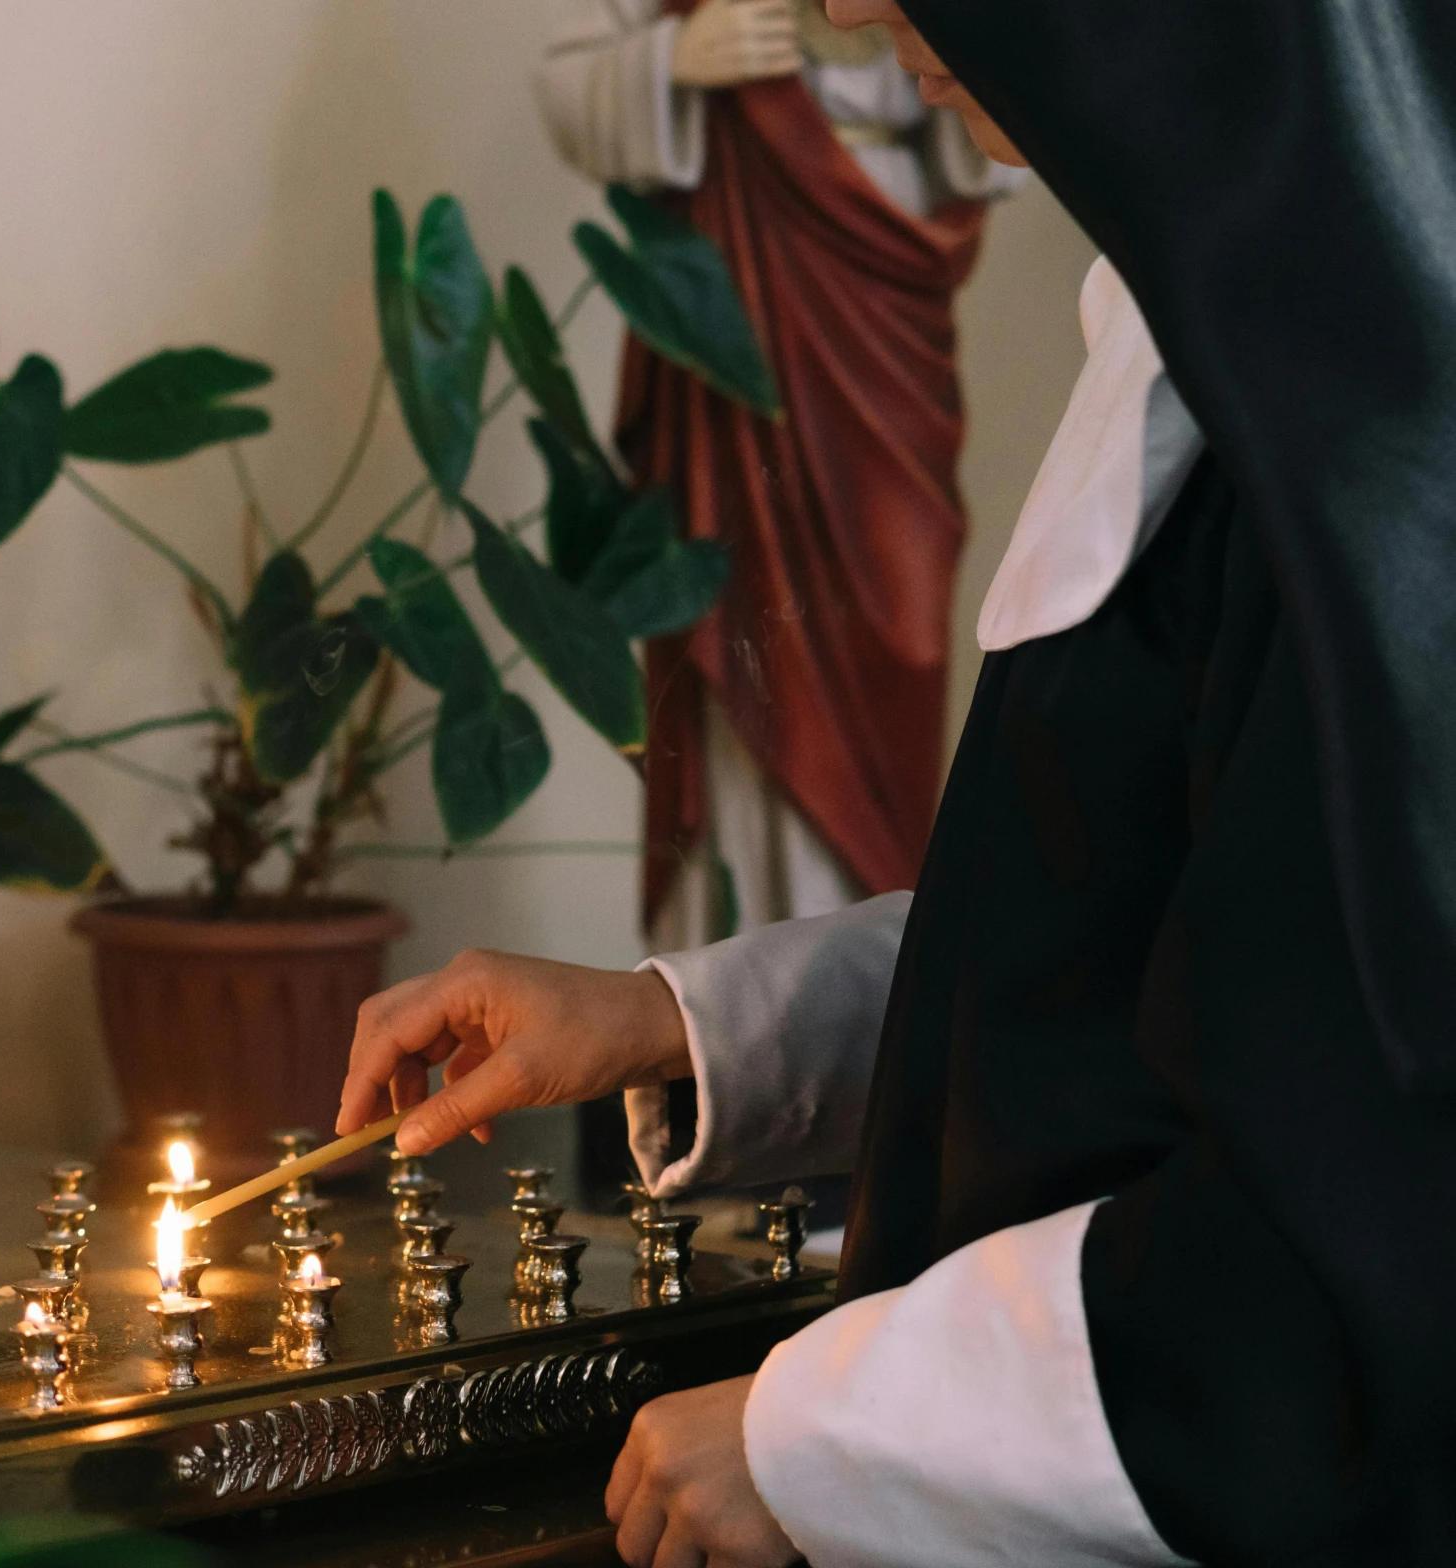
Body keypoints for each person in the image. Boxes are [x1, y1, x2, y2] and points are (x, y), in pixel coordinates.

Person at [341, 0, 1456, 1562]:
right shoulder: (1202, 340)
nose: (848, 8)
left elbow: (1339, 1253)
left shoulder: (1391, 463)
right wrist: (671, 1021)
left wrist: (824, 1433)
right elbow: (1130, 955)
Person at [534, 0, 1023, 952]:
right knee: (743, 620)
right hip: (738, 285)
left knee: (897, 624)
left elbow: (1032, 74)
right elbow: (566, 80)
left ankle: (869, 968)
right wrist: (675, 57)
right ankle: (733, 979)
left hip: (883, 277)